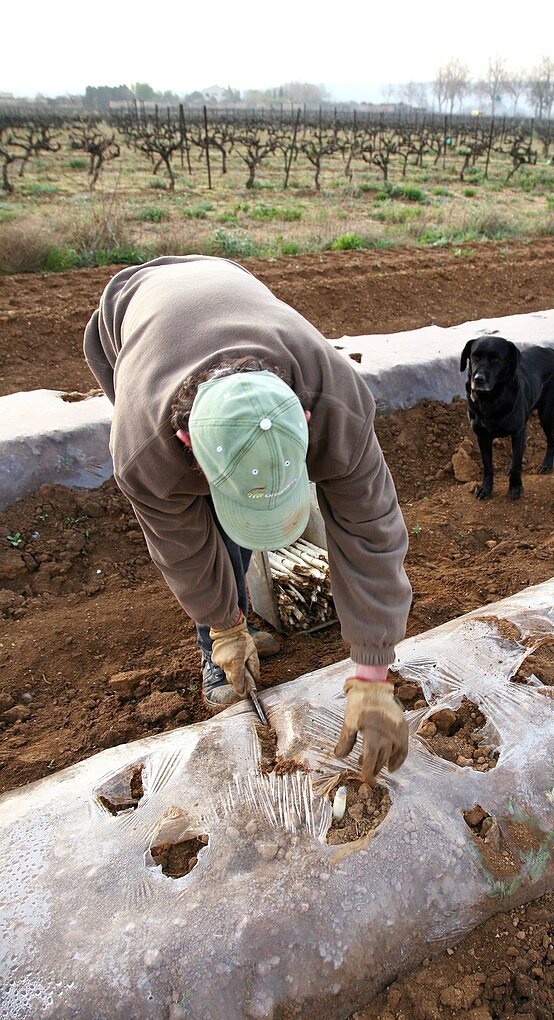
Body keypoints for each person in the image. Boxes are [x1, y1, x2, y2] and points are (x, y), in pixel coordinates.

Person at [83, 255, 412, 782]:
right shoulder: (144, 449)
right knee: (202, 524)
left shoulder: (336, 401)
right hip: (129, 315)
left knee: (251, 506)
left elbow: (372, 533)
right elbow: (182, 547)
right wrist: (223, 625)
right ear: (187, 441)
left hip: (232, 286)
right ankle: (219, 648)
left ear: (305, 420)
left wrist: (373, 674)